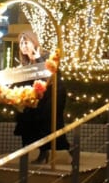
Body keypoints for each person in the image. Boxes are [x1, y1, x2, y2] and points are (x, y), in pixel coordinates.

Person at [12, 31, 68, 164]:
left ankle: (58, 151)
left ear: (33, 42)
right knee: (26, 120)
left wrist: (38, 59)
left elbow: (51, 76)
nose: (23, 46)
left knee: (47, 124)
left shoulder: (46, 56)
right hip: (36, 97)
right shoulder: (25, 63)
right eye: (21, 43)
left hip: (52, 96)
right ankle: (35, 153)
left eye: (26, 42)